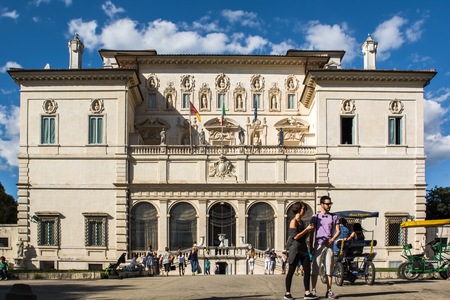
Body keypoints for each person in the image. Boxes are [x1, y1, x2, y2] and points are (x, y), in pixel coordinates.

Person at [310, 196, 340, 299]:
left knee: (329, 267)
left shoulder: (334, 217)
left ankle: (329, 291)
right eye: (327, 204)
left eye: (330, 204)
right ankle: (313, 290)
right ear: (322, 204)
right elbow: (312, 231)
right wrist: (311, 245)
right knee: (315, 268)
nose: (329, 206)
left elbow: (338, 230)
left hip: (329, 244)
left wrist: (332, 239)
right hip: (319, 244)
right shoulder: (316, 216)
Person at [284, 201, 316, 300]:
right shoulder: (293, 221)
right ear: (298, 209)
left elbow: (303, 236)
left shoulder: (301, 221)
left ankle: (307, 292)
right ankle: (287, 293)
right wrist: (306, 229)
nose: (305, 210)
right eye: (303, 208)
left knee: (307, 270)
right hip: (295, 248)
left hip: (303, 248)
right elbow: (295, 237)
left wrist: (310, 231)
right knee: (291, 271)